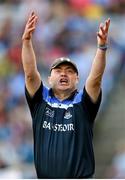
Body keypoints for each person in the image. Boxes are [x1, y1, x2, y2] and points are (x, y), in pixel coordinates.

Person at [21, 11, 110, 178]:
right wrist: (26, 41)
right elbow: (30, 74)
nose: (64, 74)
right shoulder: (41, 100)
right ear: (49, 78)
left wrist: (102, 47)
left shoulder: (83, 103)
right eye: (58, 71)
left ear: (77, 79)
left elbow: (96, 80)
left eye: (69, 72)